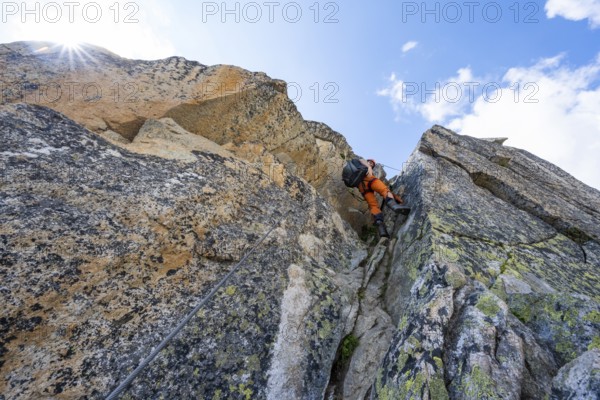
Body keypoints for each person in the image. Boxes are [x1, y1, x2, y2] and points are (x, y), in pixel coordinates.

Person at [357, 158, 410, 238]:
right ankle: (394, 206)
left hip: (362, 187)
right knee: (384, 190)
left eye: (372, 164)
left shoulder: (358, 170)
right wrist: (368, 167)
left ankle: (381, 227)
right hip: (370, 179)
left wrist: (395, 196)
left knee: (373, 205)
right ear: (368, 161)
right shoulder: (365, 165)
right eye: (370, 162)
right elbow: (363, 163)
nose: (371, 164)